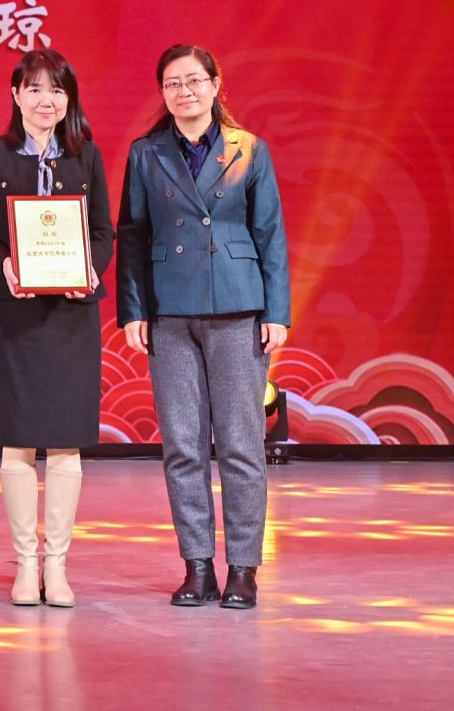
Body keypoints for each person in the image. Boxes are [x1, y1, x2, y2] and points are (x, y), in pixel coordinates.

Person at [116, 44, 290, 612]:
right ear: (162, 93)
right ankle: (197, 567)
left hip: (239, 307)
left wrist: (277, 312)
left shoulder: (249, 148)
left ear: (215, 84)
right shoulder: (146, 153)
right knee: (183, 446)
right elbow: (132, 236)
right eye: (172, 83)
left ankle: (243, 568)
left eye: (194, 81)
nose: (184, 92)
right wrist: (133, 310)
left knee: (241, 445)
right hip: (169, 310)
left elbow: (270, 233)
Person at [0, 49, 115, 608]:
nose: (45, 100)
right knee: (17, 442)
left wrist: (91, 270)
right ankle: (26, 564)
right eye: (34, 89)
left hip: (71, 315)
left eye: (56, 90)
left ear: (68, 99)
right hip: (13, 313)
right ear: (16, 95)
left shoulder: (88, 157)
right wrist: (3, 261)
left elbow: (102, 231)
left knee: (67, 444)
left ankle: (58, 565)